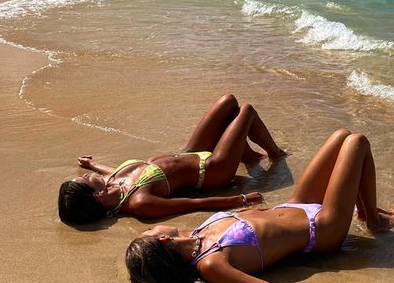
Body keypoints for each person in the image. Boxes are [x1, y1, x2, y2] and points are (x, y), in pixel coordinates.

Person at [126, 129, 394, 283]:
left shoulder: (194, 234)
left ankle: (365, 209)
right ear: (162, 241)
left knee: (342, 136)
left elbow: (248, 222)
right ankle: (372, 221)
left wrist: (248, 210)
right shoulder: (211, 265)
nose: (152, 227)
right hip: (322, 228)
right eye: (149, 231)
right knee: (357, 142)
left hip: (295, 205)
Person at [58, 94, 284, 225]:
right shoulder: (139, 203)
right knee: (246, 110)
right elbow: (191, 204)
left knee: (228, 102)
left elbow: (112, 171)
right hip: (212, 169)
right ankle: (276, 155)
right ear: (97, 196)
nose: (87, 176)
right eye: (85, 180)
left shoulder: (113, 183)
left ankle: (251, 157)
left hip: (191, 152)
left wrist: (91, 163)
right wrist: (238, 200)